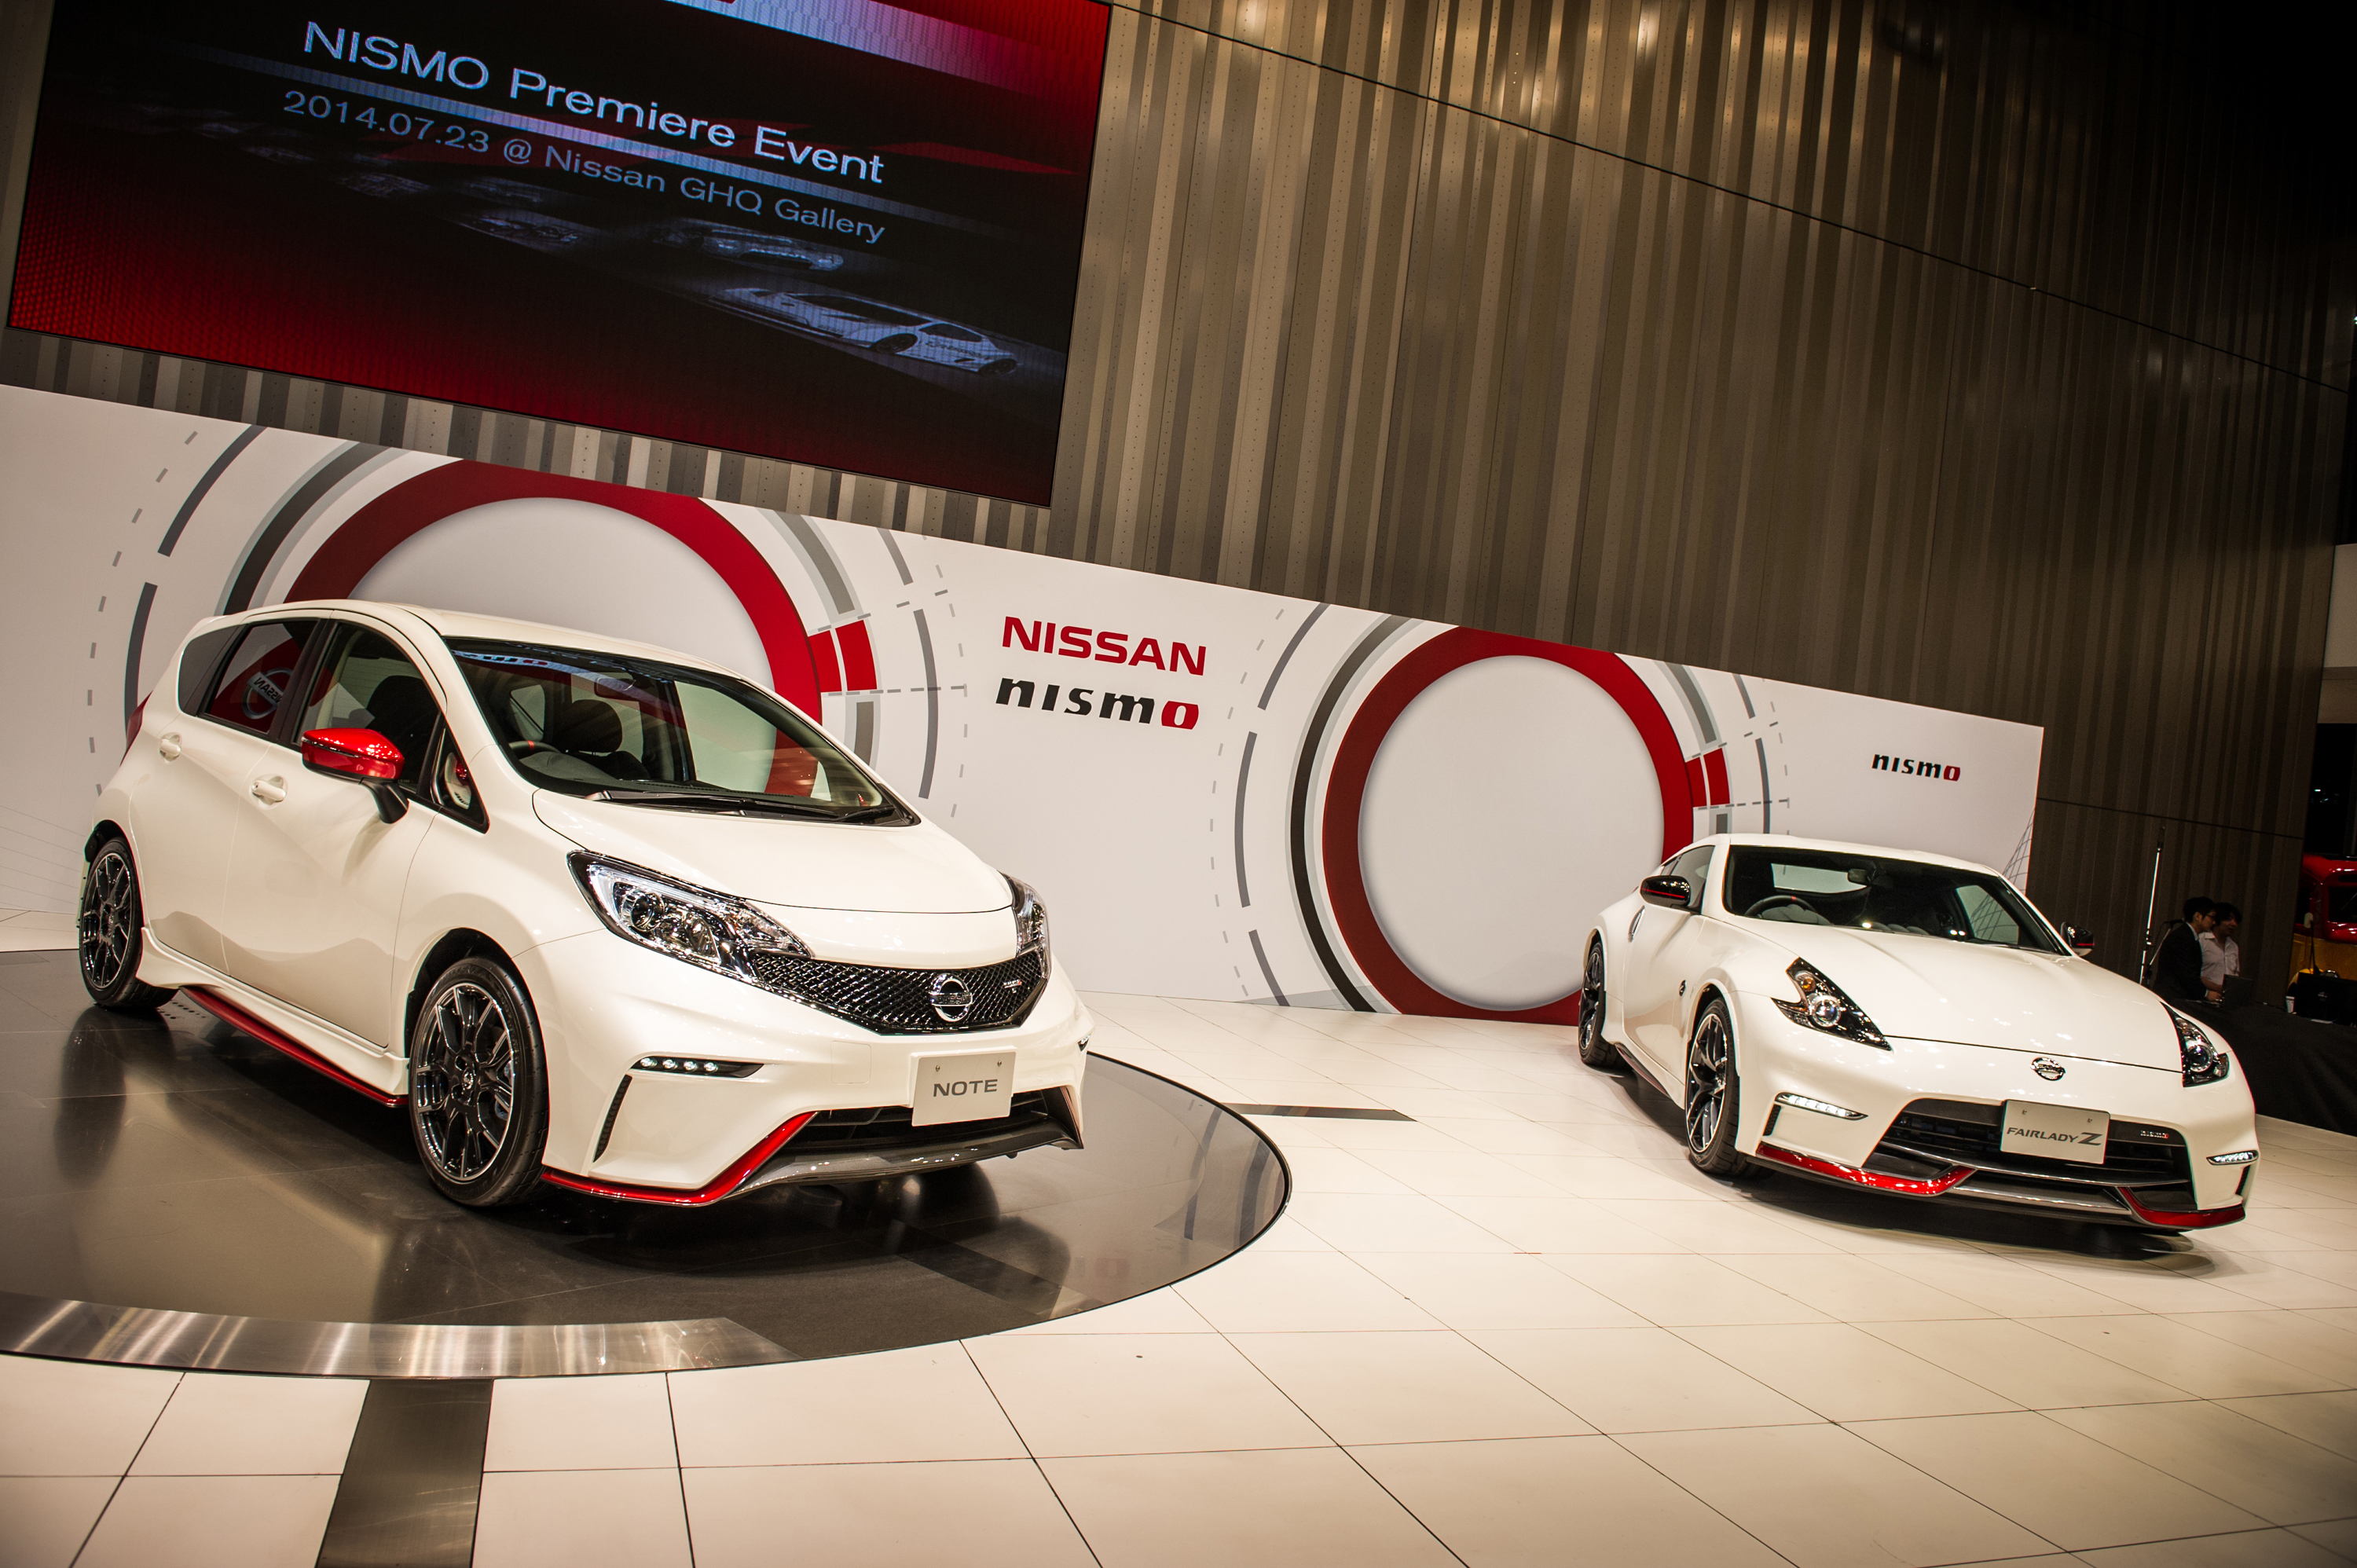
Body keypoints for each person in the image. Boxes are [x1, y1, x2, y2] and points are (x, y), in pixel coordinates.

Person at [2150, 896, 2215, 1004]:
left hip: (2178, 996)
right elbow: (2186, 973)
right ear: (2198, 916)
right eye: (2211, 917)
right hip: (2173, 997)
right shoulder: (2181, 938)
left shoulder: (2190, 937)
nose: (2213, 922)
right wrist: (2206, 993)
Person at [2198, 902, 2241, 1002]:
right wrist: (2218, 988)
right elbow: (2194, 975)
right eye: (2229, 919)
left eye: (2236, 921)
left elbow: (2235, 975)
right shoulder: (2201, 941)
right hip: (2203, 998)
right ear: (2216, 920)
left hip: (2225, 1002)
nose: (2234, 924)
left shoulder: (2233, 947)